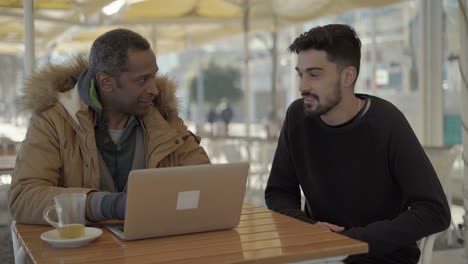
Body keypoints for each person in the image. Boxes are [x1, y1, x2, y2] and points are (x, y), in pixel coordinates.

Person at [264, 24, 450, 264]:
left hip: (383, 256)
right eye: (301, 74)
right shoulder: (297, 117)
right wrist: (308, 228)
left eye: (315, 74)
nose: (303, 86)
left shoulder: (387, 122)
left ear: (347, 76)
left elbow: (434, 211)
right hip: (319, 253)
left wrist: (350, 241)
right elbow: (278, 192)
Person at [8, 28, 210, 225]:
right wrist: (104, 205)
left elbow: (207, 183)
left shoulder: (165, 119)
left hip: (152, 248)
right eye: (142, 80)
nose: (155, 89)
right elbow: (24, 198)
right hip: (77, 254)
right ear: (106, 82)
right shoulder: (54, 120)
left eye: (153, 76)